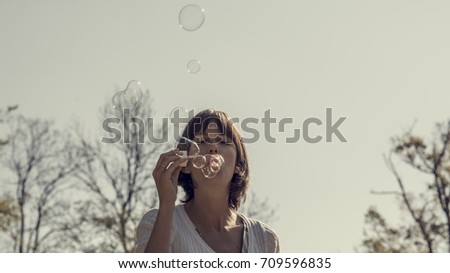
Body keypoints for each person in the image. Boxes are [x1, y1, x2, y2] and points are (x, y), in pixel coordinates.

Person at [135, 109, 279, 253]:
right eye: (202, 141)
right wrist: (166, 204)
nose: (213, 148)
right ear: (186, 164)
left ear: (238, 165)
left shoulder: (264, 238)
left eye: (223, 142)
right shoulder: (157, 222)